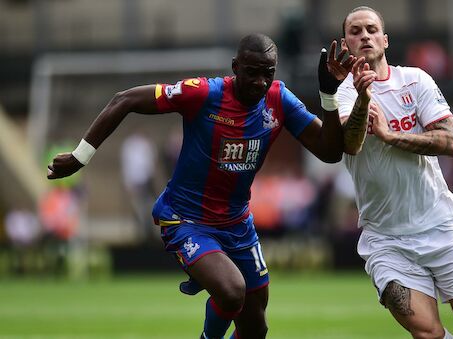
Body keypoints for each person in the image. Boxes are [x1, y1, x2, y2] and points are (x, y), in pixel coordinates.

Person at [47, 33, 356, 339]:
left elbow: (329, 152)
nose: (260, 82)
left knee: (255, 328)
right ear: (235, 66)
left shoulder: (279, 100)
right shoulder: (203, 94)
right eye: (252, 72)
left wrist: (327, 96)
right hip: (186, 219)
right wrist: (80, 156)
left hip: (237, 225)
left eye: (268, 73)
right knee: (232, 291)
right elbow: (124, 100)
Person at [330, 6, 453, 338]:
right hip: (386, 239)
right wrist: (364, 98)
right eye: (355, 31)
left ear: (385, 39)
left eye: (371, 29)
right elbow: (351, 144)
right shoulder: (343, 93)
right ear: (346, 44)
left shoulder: (416, 80)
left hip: (439, 226)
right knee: (427, 333)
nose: (364, 35)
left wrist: (392, 136)